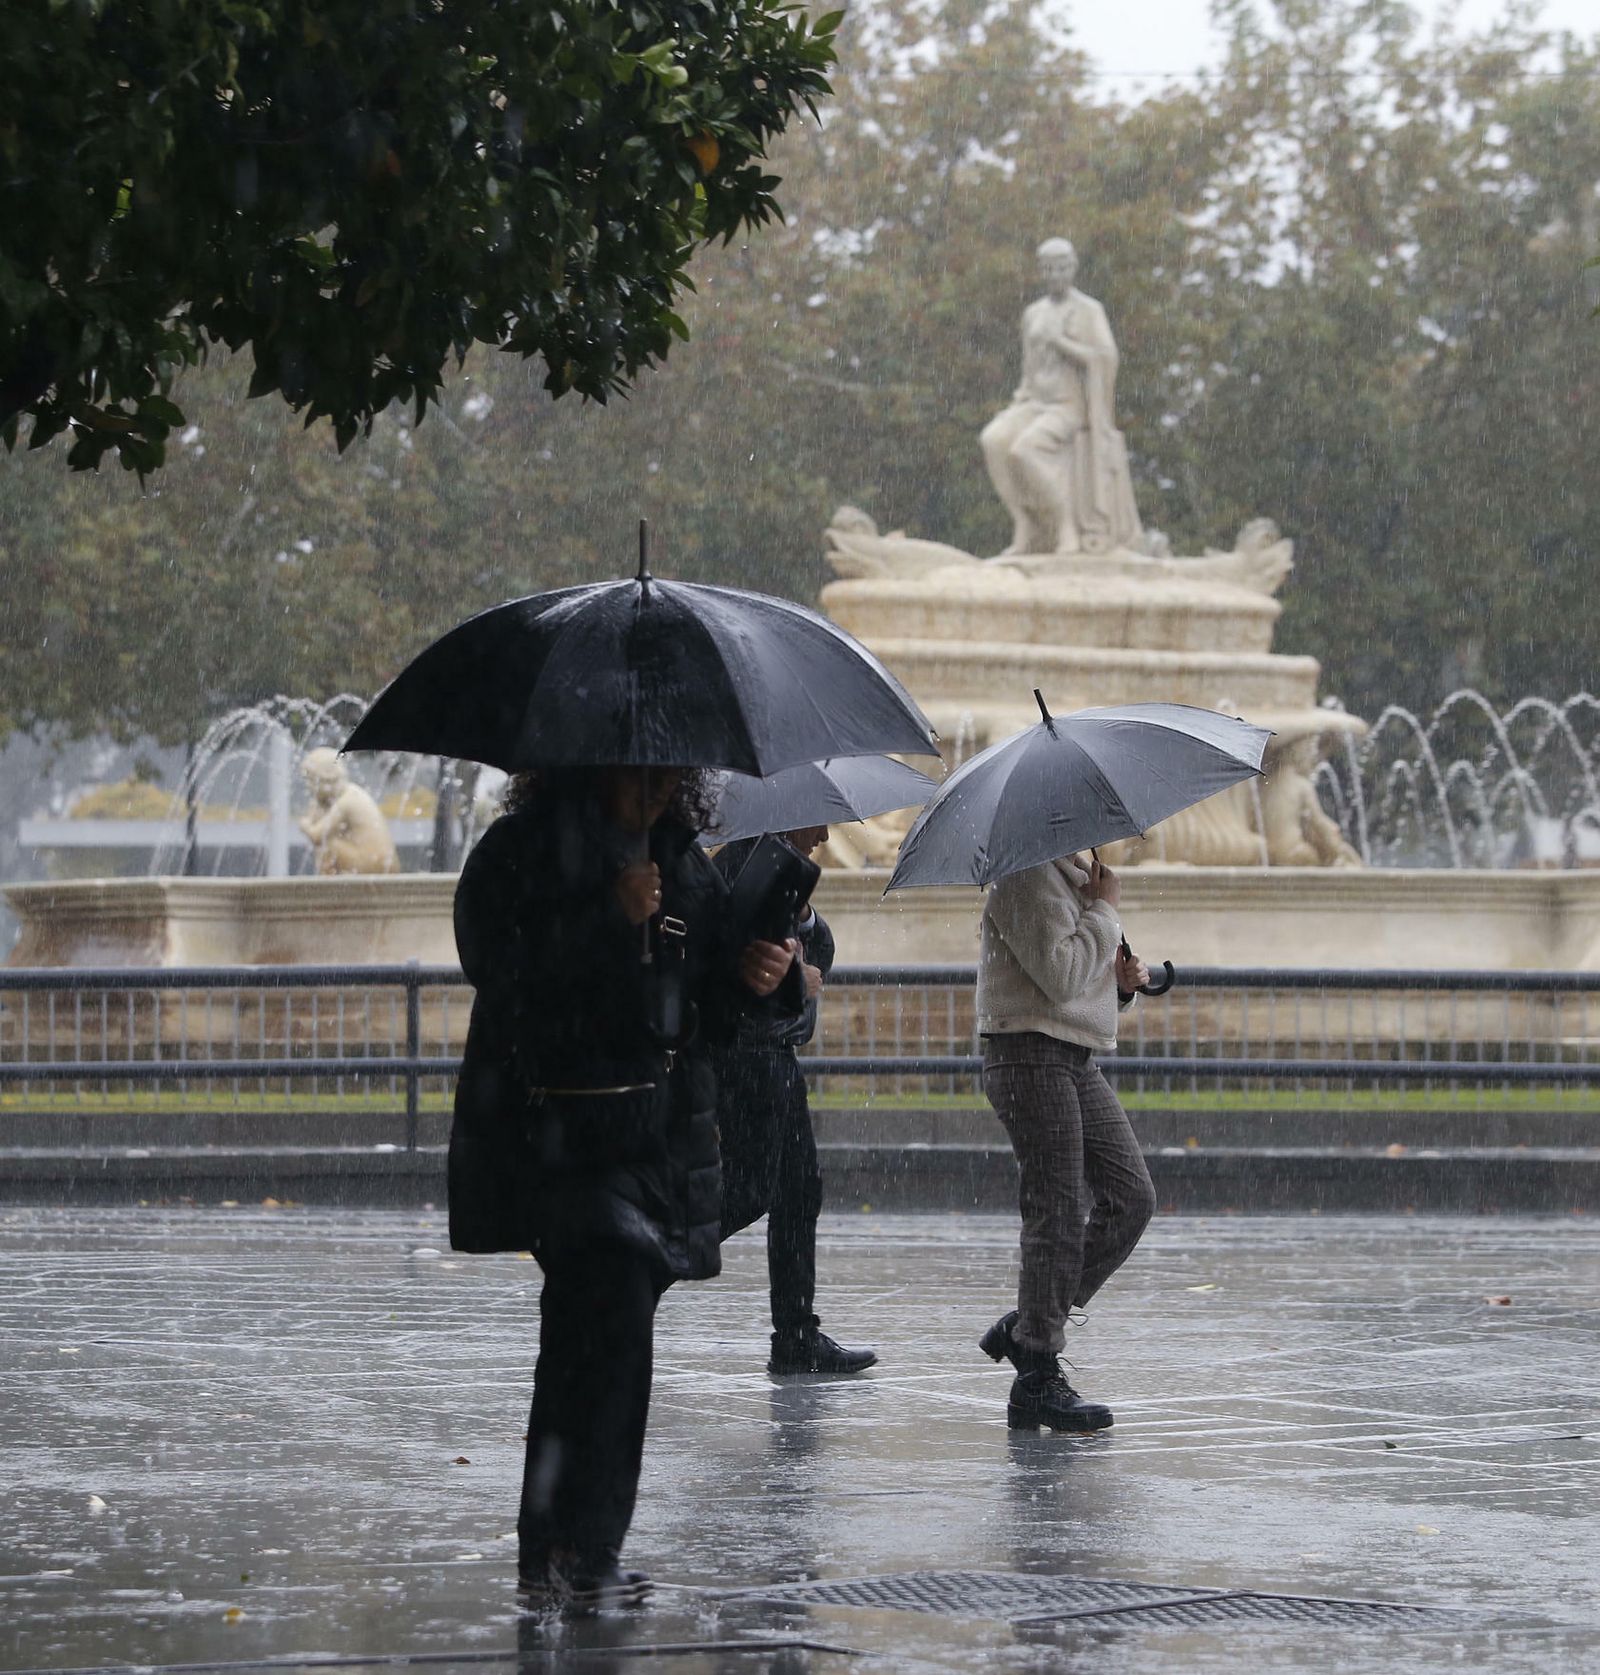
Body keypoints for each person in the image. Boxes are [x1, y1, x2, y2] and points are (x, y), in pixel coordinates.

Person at [449, 765, 796, 1612]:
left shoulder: (680, 858)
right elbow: (500, 971)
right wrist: (606, 915)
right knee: (606, 1335)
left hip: (655, 1139)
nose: (657, 785)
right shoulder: (521, 852)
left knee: (591, 1345)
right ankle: (581, 1547)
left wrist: (762, 978)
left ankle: (560, 1549)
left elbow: (706, 1006)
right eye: (641, 769)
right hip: (564, 1135)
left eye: (671, 771)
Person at [975, 850, 1157, 1430]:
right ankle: (1036, 1376)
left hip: (1075, 1058)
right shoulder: (1023, 873)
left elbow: (1082, 977)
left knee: (1132, 1199)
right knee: (1055, 1210)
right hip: (1028, 1052)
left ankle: (1031, 1322)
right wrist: (1105, 911)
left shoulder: (1074, 873)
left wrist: (1122, 986)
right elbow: (1058, 975)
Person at [710, 825, 877, 1375]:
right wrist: (794, 978)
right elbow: (743, 967)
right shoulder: (745, 866)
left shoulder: (776, 867)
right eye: (816, 820)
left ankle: (797, 1334)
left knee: (798, 1191)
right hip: (748, 1054)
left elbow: (815, 949)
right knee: (750, 1188)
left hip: (774, 1054)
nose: (825, 836)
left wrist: (803, 917)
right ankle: (647, 1263)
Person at [979, 237, 1142, 557]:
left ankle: (1064, 526)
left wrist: (1063, 342)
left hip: (1069, 406)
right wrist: (1019, 400)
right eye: (1050, 269)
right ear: (1041, 271)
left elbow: (1104, 359)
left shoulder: (1089, 310)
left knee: (1025, 450)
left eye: (1062, 268)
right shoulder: (1033, 313)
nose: (1056, 275)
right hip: (1034, 402)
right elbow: (1029, 366)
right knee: (993, 440)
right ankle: (1025, 523)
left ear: (1073, 268)